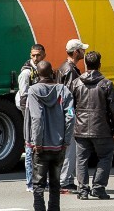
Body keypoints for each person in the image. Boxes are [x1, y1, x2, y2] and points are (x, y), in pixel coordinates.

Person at [24, 61, 75, 211]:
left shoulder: (33, 91)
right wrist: (66, 140)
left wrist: (36, 142)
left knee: (38, 185)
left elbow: (37, 118)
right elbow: (71, 116)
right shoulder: (64, 90)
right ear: (52, 73)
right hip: (59, 146)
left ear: (37, 74)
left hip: (41, 147)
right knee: (55, 184)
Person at [70, 51, 114, 200]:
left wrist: (73, 122)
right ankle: (98, 188)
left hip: (81, 128)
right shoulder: (106, 84)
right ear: (100, 64)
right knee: (105, 157)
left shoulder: (76, 83)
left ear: (85, 64)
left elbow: (68, 107)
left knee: (81, 159)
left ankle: (83, 190)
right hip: (102, 129)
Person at [57, 39, 88, 194]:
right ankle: (65, 181)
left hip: (63, 113)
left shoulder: (64, 67)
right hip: (69, 113)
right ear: (76, 52)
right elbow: (70, 97)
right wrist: (71, 116)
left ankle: (66, 180)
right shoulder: (70, 70)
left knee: (67, 147)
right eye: (82, 50)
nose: (84, 52)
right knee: (70, 148)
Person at [16, 44, 46, 192]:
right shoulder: (27, 73)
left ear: (44, 55)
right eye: (33, 55)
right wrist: (28, 118)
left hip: (39, 113)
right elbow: (23, 99)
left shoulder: (43, 69)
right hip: (29, 113)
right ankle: (30, 183)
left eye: (38, 55)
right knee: (29, 148)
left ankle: (39, 180)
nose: (35, 58)